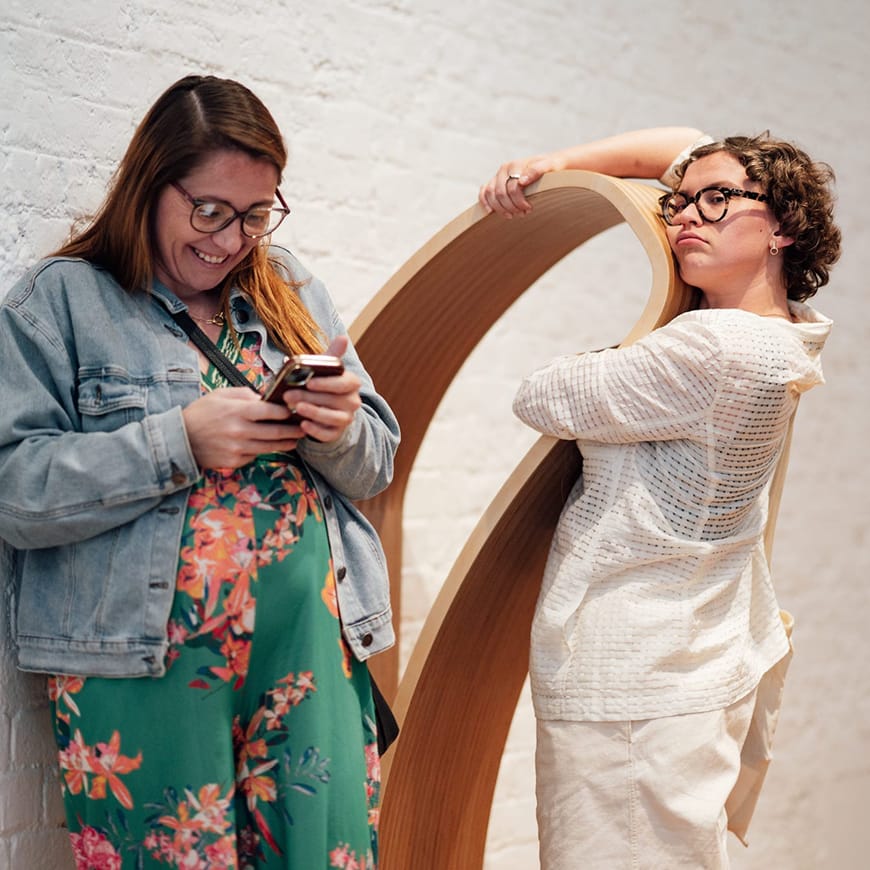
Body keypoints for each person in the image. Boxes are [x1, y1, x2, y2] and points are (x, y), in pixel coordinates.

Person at [0, 74, 399, 869]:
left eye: (256, 214)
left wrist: (337, 428)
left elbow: (375, 464)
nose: (229, 239)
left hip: (309, 646)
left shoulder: (287, 286)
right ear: (150, 184)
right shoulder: (64, 301)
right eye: (209, 210)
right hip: (143, 663)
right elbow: (16, 489)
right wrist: (177, 441)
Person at [479, 129, 841, 869]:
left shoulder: (717, 348)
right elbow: (686, 142)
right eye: (678, 202)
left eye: (717, 201)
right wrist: (557, 164)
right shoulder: (789, 336)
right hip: (689, 663)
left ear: (784, 227)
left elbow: (541, 395)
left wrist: (616, 350)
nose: (685, 218)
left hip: (632, 683)